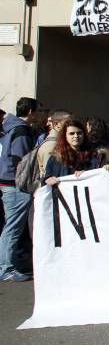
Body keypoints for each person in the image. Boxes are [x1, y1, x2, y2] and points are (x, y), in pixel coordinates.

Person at [0, 97, 38, 282]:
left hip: (8, 183)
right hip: (15, 185)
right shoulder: (21, 130)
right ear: (31, 111)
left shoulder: (10, 127)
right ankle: (6, 267)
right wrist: (27, 184)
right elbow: (20, 161)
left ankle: (9, 263)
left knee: (12, 227)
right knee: (13, 228)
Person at [42, 120, 99, 186]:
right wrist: (48, 180)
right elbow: (46, 178)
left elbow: (98, 175)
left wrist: (86, 174)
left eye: (79, 133)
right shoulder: (55, 157)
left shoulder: (93, 155)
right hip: (63, 194)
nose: (76, 136)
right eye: (71, 133)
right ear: (65, 136)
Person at [36, 109, 71, 175]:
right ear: (56, 124)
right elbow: (49, 174)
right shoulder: (52, 145)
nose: (71, 125)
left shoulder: (56, 141)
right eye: (67, 123)